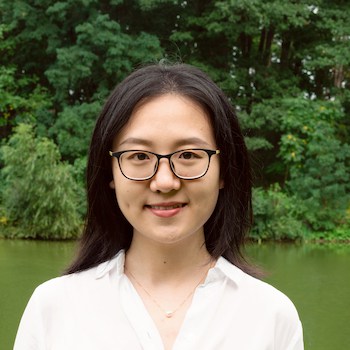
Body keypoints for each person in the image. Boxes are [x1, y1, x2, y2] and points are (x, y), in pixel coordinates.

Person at [14, 62, 304, 350]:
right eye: (139, 156)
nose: (164, 182)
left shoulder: (270, 316)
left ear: (224, 170)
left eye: (189, 154)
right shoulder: (54, 308)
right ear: (110, 173)